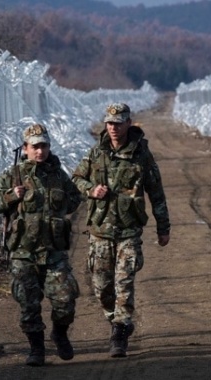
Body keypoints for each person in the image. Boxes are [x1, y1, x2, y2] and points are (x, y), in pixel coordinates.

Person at [71, 102, 171, 358]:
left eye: (118, 123)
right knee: (102, 288)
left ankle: (119, 331)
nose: (113, 127)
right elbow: (77, 179)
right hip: (100, 231)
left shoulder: (141, 155)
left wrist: (163, 227)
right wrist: (91, 190)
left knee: (124, 283)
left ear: (128, 123)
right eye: (109, 123)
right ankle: (116, 319)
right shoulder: (97, 152)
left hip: (129, 231)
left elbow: (156, 193)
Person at [0, 123, 82, 367]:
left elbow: (74, 198)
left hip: (54, 251)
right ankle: (36, 349)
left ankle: (60, 333)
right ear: (26, 149)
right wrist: (11, 195)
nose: (40, 151)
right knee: (29, 304)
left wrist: (58, 213)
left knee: (65, 298)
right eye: (35, 146)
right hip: (23, 253)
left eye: (44, 146)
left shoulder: (58, 174)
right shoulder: (13, 175)